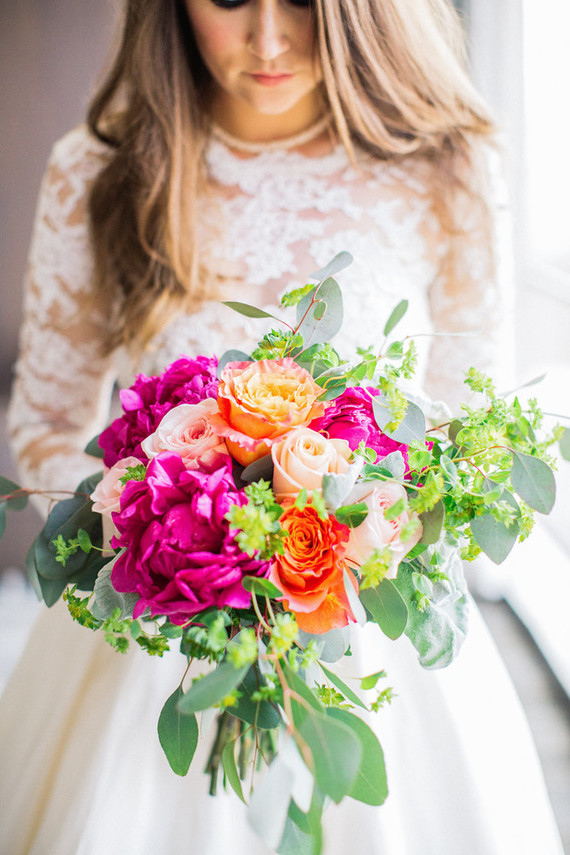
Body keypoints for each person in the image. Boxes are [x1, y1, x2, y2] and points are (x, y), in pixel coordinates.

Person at [0, 0, 564, 852]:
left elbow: (461, 444)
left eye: (303, 1)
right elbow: (46, 421)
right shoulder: (100, 170)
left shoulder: (452, 166)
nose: (268, 39)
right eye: (227, 0)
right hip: (160, 633)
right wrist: (154, 530)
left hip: (373, 645)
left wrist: (337, 546)